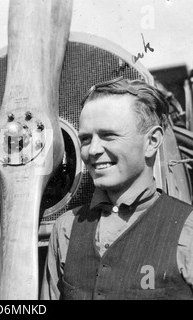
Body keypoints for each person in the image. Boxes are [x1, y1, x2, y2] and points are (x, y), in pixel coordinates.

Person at [41, 77, 193, 300]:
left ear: (152, 142)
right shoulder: (66, 230)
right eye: (85, 138)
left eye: (108, 136)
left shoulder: (188, 229)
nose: (92, 150)